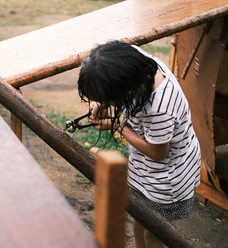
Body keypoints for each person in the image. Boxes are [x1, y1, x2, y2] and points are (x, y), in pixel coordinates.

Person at [77, 41, 201, 248]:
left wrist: (118, 125)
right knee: (139, 222)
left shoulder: (159, 107)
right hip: (143, 169)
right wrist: (98, 100)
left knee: (154, 236)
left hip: (166, 180)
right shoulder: (131, 61)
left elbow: (158, 152)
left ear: (125, 88)